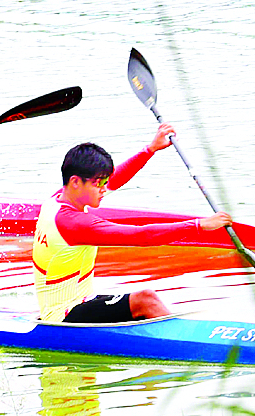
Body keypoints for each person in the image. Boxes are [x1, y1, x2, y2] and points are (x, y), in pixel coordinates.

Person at [32, 130, 232, 323]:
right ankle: (186, 341)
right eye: (99, 183)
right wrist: (198, 225)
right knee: (146, 300)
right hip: (64, 317)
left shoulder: (55, 201)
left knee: (137, 302)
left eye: (104, 182)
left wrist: (150, 149)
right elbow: (141, 236)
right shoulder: (74, 224)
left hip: (78, 303)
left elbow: (115, 179)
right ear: (75, 182)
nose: (104, 189)